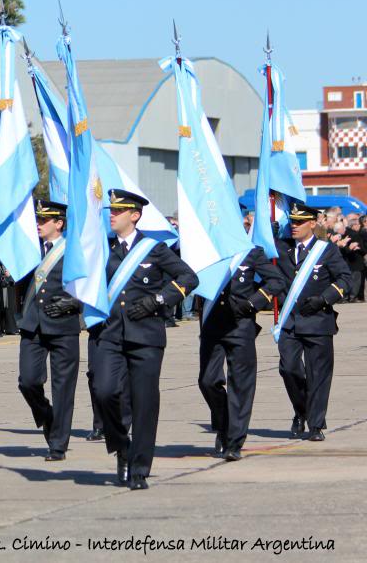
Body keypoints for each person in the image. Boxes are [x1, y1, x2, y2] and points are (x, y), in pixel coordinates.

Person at [89, 189, 198, 490]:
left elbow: (189, 278)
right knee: (104, 391)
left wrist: (159, 299)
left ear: (134, 215)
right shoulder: (101, 248)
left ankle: (138, 467)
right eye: (111, 210)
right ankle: (121, 445)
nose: (111, 214)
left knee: (144, 402)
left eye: (118, 211)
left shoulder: (155, 249)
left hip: (146, 336)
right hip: (110, 334)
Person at [198, 240, 284, 460]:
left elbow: (276, 281)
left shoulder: (251, 253)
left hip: (240, 325)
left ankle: (234, 441)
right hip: (212, 323)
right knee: (207, 381)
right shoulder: (206, 248)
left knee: (241, 384)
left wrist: (254, 302)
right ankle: (223, 425)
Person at [274, 201, 352, 442]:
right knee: (288, 369)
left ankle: (315, 424)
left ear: (311, 223)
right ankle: (302, 410)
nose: (294, 226)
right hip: (290, 323)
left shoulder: (326, 250)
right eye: (292, 222)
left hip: (318, 321)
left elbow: (346, 280)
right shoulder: (282, 250)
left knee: (318, 375)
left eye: (299, 222)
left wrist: (323, 299)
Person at [15, 200, 81, 462]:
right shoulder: (29, 249)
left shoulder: (74, 251)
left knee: (63, 387)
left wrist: (76, 303)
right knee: (28, 381)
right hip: (33, 324)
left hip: (63, 325)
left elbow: (93, 284)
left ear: (59, 223)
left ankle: (58, 444)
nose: (39, 224)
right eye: (38, 220)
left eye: (44, 220)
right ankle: (47, 416)